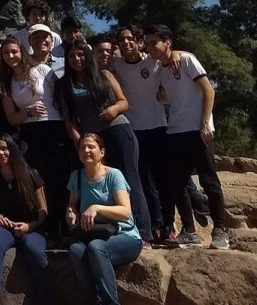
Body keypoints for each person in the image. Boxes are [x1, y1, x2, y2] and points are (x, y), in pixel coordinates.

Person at [111, 24, 205, 244]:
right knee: (146, 183)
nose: (126, 43)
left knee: (168, 179)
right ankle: (158, 226)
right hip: (135, 130)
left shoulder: (152, 60)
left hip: (159, 127)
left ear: (138, 40)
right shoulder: (117, 65)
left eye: (130, 39)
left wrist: (180, 53)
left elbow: (170, 53)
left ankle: (181, 222)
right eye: (121, 40)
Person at [55, 42, 151, 241]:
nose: (77, 59)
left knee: (129, 179)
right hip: (92, 139)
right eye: (72, 56)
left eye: (81, 55)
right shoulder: (65, 84)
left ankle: (142, 232)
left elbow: (123, 101)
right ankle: (105, 228)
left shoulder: (104, 75)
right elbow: (68, 119)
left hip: (117, 129)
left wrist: (113, 109)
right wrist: (78, 140)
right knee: (98, 182)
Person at [145, 24, 229, 250]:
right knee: (177, 184)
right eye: (147, 43)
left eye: (154, 43)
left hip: (197, 129)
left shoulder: (187, 60)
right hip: (175, 130)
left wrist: (205, 122)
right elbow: (173, 97)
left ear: (168, 42)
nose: (150, 47)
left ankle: (220, 230)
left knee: (209, 180)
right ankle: (189, 231)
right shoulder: (161, 70)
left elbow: (208, 90)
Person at [65, 133, 142, 305]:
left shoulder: (113, 175)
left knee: (96, 248)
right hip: (94, 234)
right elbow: (73, 203)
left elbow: (125, 211)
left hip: (125, 236)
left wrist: (97, 208)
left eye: (91, 147)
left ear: (102, 152)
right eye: (82, 147)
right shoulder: (77, 177)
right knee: (75, 250)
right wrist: (71, 212)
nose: (86, 151)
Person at [0, 134, 51, 305]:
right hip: (6, 227)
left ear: (12, 148)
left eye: (4, 148)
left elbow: (43, 211)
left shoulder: (30, 173)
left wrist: (29, 226)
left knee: (32, 249)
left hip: (32, 227)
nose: (1, 153)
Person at [0, 35, 66, 237]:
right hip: (30, 130)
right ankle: (44, 227)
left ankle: (63, 229)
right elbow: (11, 118)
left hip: (54, 126)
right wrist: (27, 111)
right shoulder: (6, 83)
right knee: (38, 179)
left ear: (22, 52)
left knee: (58, 178)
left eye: (14, 51)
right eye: (6, 53)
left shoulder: (42, 70)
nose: (11, 56)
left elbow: (61, 100)